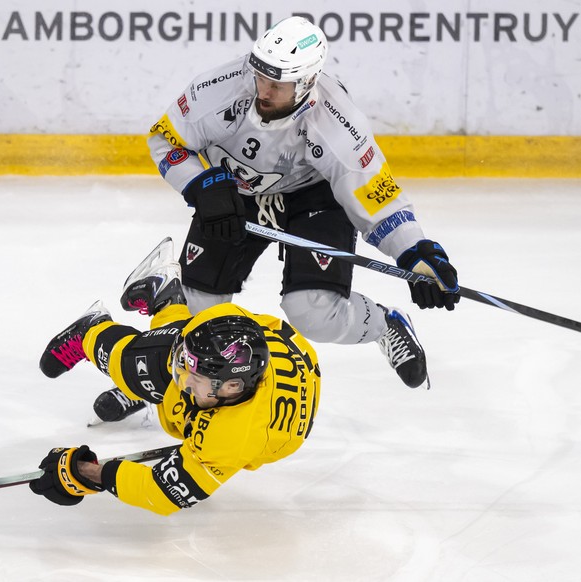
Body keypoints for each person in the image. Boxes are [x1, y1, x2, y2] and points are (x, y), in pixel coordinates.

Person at [145, 16, 460, 391]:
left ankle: (385, 324)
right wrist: (201, 184)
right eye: (261, 76)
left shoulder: (337, 122)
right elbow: (166, 141)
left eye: (277, 85)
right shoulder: (218, 90)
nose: (263, 90)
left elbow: (376, 193)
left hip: (313, 198)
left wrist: (415, 252)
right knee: (198, 308)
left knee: (313, 314)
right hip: (233, 193)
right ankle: (165, 381)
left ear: (306, 83)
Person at [31, 238, 320, 516]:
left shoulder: (229, 437)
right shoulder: (225, 362)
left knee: (166, 391)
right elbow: (203, 349)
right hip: (273, 339)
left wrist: (85, 473)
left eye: (193, 375)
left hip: (261, 424)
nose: (182, 379)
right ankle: (92, 332)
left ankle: (160, 299)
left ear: (232, 387)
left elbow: (159, 492)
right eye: (185, 366)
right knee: (149, 365)